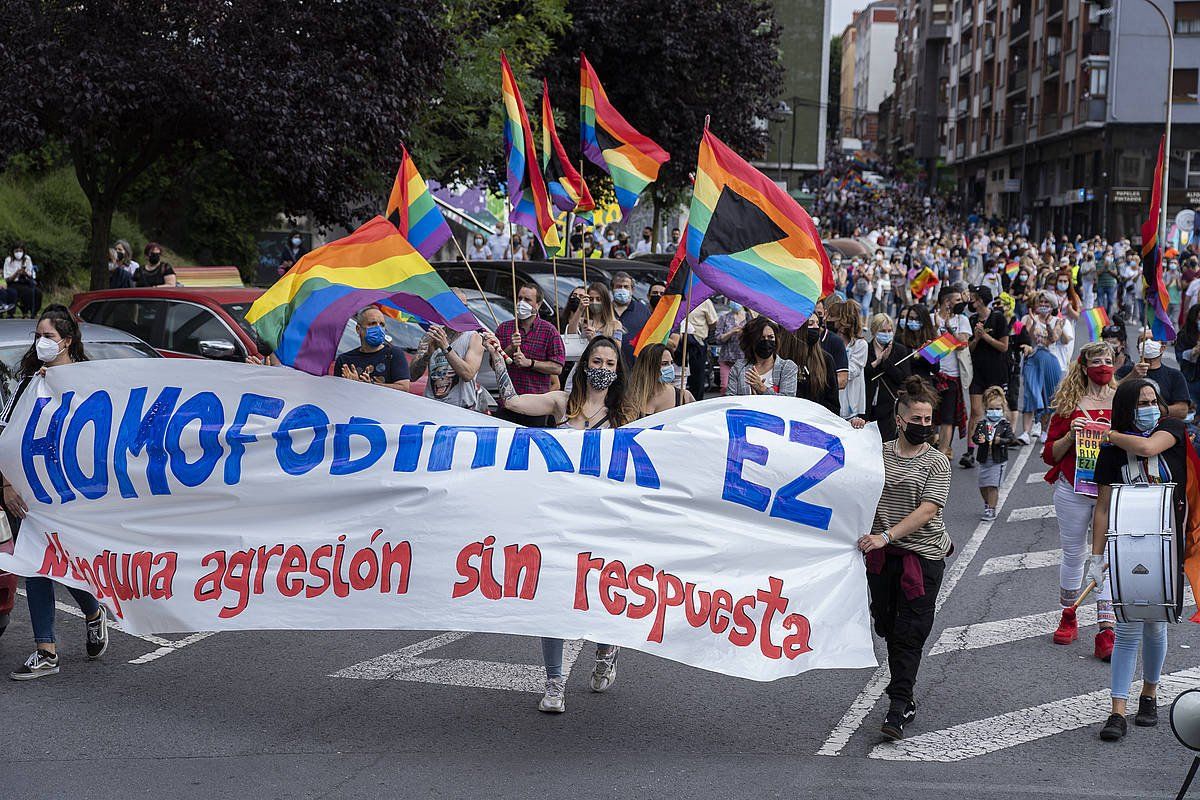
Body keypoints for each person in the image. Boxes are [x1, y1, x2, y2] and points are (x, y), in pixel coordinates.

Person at [482, 334, 632, 713]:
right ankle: (553, 684)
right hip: (555, 518)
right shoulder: (562, 404)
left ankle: (605, 647)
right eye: (596, 362)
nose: (602, 369)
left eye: (610, 364)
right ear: (584, 366)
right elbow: (513, 401)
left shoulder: (625, 417)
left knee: (599, 595)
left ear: (618, 372)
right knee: (552, 599)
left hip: (601, 521)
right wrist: (499, 360)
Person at [3, 307, 109, 679]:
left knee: (63, 562)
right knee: (37, 562)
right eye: (38, 335)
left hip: (68, 493)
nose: (40, 342)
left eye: (47, 336)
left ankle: (93, 611)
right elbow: (7, 435)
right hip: (27, 493)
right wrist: (6, 484)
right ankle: (45, 649)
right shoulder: (29, 381)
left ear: (67, 340)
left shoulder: (89, 381)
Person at [852, 376, 952, 741]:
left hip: (922, 558)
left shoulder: (937, 463)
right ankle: (901, 689)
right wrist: (854, 432)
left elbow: (927, 510)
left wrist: (886, 535)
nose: (923, 426)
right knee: (887, 625)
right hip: (882, 558)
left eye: (928, 420)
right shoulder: (876, 453)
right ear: (900, 418)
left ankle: (900, 704)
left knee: (909, 633)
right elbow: (846, 470)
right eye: (917, 419)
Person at [1090, 378, 1185, 741]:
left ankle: (1150, 692)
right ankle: (1117, 710)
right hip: (1125, 546)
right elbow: (1102, 507)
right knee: (1127, 627)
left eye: (1153, 400)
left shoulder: (1171, 429)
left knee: (1156, 624)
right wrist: (1095, 557)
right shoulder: (1111, 454)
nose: (1150, 407)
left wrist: (1110, 435)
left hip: (1167, 545)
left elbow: (1147, 448)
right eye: (1141, 402)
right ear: (1128, 409)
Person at [1042, 341, 1117, 658]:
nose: (1103, 365)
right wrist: (1070, 434)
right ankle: (1068, 615)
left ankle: (1107, 628)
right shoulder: (1068, 405)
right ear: (1084, 367)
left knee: (1109, 557)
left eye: (1109, 359)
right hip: (1073, 489)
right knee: (1073, 554)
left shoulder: (1123, 400)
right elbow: (1049, 455)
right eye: (1097, 360)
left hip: (1112, 490)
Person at [494, 282, 565, 426]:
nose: (521, 303)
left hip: (536, 407)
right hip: (507, 404)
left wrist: (530, 363)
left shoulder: (549, 331)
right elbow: (493, 363)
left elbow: (557, 367)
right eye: (519, 299)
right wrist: (510, 348)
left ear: (538, 305)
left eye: (527, 300)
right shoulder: (504, 328)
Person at [963, 286, 1010, 468]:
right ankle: (969, 451)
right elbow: (970, 348)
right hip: (977, 373)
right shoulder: (973, 319)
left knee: (995, 411)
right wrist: (975, 338)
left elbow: (1004, 346)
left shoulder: (998, 318)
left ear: (981, 299)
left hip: (996, 373)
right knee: (976, 411)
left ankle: (996, 443)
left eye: (973, 298)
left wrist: (985, 337)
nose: (971, 302)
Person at [1017, 292, 1067, 444]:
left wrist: (1047, 325)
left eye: (1046, 303)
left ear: (1052, 306)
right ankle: (1026, 431)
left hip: (1051, 361)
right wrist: (1033, 322)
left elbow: (1052, 340)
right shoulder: (1029, 319)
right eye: (1041, 302)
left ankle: (1044, 430)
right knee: (1030, 393)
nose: (1043, 305)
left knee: (1049, 397)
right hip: (1033, 359)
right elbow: (1031, 337)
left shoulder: (1059, 321)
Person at [930, 287, 972, 460]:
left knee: (948, 418)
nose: (960, 303)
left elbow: (963, 341)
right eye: (957, 300)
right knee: (931, 416)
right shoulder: (932, 318)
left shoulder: (962, 320)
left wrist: (950, 331)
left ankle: (942, 453)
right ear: (947, 302)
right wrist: (936, 329)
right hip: (933, 374)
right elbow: (930, 350)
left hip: (953, 376)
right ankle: (931, 448)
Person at [407, 316, 484, 410]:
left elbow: (468, 374)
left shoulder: (473, 337)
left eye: (463, 306)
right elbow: (412, 376)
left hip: (460, 410)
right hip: (431, 407)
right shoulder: (431, 337)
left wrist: (445, 347)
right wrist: (427, 355)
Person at [333, 306, 411, 391]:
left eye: (382, 325)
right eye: (372, 324)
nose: (378, 328)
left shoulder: (394, 354)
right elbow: (337, 392)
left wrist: (370, 385)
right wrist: (350, 384)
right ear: (358, 329)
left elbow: (403, 387)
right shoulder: (344, 360)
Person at [864, 313, 913, 441]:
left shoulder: (900, 350)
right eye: (882, 331)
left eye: (889, 330)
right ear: (874, 331)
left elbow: (903, 377)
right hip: (866, 405)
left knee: (887, 442)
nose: (886, 333)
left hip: (889, 406)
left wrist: (886, 363)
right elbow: (863, 374)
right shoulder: (865, 348)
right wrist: (877, 362)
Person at [1117, 334, 1190, 419]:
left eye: (1153, 339)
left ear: (1162, 348)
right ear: (1138, 348)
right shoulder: (1125, 371)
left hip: (1162, 426)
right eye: (1143, 339)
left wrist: (1153, 411)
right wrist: (1132, 376)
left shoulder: (1175, 376)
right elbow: (1110, 394)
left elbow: (1182, 411)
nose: (1148, 342)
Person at [972, 386, 1018, 520]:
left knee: (992, 485)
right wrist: (979, 439)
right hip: (984, 459)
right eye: (991, 409)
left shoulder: (1004, 424)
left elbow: (1010, 439)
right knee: (982, 486)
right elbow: (975, 437)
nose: (994, 412)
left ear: (1003, 409)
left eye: (997, 409)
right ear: (986, 408)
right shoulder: (982, 424)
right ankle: (987, 503)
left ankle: (991, 509)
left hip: (998, 460)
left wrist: (1000, 440)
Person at [725, 316, 798, 397]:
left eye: (770, 337)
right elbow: (730, 398)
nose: (766, 341)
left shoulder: (787, 367)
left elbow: (788, 400)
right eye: (761, 338)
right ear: (751, 341)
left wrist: (762, 389)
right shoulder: (739, 367)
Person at [786, 317, 841, 413]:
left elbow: (833, 402)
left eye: (817, 323)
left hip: (817, 420)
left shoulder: (826, 360)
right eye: (810, 324)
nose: (816, 327)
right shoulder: (786, 358)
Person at [627, 343, 693, 415]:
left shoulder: (684, 397)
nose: (670, 367)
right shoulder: (629, 397)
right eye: (664, 364)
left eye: (671, 363)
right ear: (648, 367)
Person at [830, 301, 868, 419]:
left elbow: (851, 372)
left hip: (850, 407)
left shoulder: (860, 345)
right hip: (830, 402)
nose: (828, 319)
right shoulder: (829, 340)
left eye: (832, 317)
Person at [677, 296, 718, 400]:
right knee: (679, 374)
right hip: (679, 341)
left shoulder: (705, 302)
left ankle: (696, 401)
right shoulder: (680, 299)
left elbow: (713, 322)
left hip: (698, 342)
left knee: (698, 375)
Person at [610, 271, 651, 365]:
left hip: (634, 367)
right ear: (612, 289)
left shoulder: (643, 311)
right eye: (618, 287)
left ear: (632, 290)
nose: (622, 289)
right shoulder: (605, 310)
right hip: (609, 366)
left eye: (626, 287)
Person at [896, 303, 937, 383]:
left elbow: (935, 369)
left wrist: (928, 353)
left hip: (925, 385)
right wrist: (917, 355)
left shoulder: (931, 339)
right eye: (911, 318)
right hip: (906, 385)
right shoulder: (900, 339)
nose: (913, 321)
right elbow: (900, 365)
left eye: (917, 319)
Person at [714, 300, 747, 393]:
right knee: (725, 387)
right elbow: (718, 338)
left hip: (744, 360)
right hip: (726, 359)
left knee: (742, 388)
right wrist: (731, 332)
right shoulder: (724, 318)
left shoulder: (749, 318)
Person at [4, 244, 42, 316]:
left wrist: (25, 273)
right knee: (27, 292)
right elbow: (7, 278)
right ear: (13, 251)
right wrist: (17, 273)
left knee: (38, 292)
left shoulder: (27, 258)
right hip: (14, 283)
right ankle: (24, 311)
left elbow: (32, 274)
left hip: (26, 281)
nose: (19, 253)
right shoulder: (8, 260)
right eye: (16, 251)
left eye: (20, 251)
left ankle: (34, 312)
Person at [1176, 304, 1200, 408]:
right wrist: (1193, 352)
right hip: (1191, 378)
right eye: (1199, 318)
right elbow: (1179, 357)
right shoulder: (1184, 335)